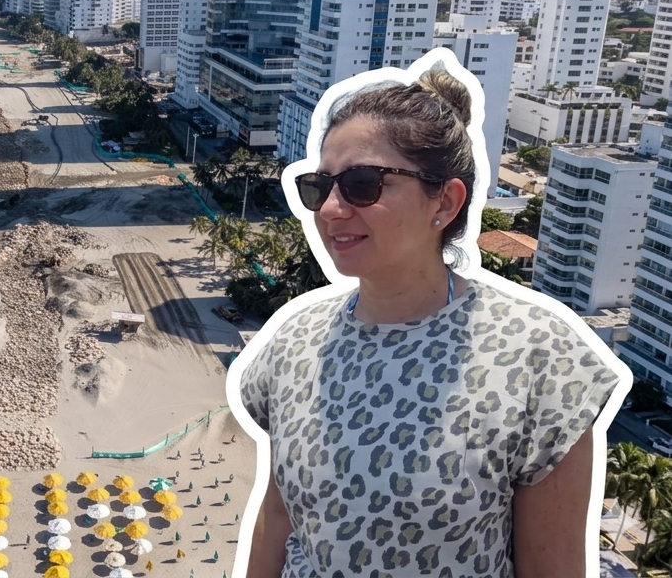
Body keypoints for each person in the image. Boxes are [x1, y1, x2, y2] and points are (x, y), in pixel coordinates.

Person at [234, 61, 626, 578]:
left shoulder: (539, 359)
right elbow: (279, 516)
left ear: (444, 201)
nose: (328, 210)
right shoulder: (295, 342)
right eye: (319, 187)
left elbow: (552, 568)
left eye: (361, 184)